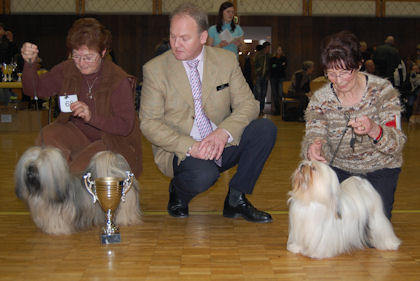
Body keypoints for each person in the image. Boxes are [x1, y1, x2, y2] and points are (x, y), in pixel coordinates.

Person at [140, 3, 277, 223]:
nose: (176, 44)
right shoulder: (155, 70)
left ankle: (235, 197)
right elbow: (149, 123)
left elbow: (249, 104)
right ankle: (178, 191)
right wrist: (191, 146)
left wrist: (223, 133)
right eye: (172, 37)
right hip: (182, 148)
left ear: (203, 37)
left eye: (184, 38)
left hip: (221, 141)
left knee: (265, 129)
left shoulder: (226, 61)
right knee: (205, 174)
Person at [302, 30, 406, 220]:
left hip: (379, 168)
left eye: (344, 72)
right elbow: (313, 133)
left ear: (359, 65)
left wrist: (375, 130)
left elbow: (396, 144)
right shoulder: (320, 99)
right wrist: (314, 145)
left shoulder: (383, 91)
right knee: (326, 221)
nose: (338, 81)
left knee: (371, 231)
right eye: (331, 74)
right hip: (339, 168)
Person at [21, 18, 142, 177]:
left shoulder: (118, 80)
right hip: (77, 133)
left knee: (77, 172)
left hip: (110, 140)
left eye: (88, 57)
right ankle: (54, 189)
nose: (81, 63)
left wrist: (92, 117)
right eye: (76, 56)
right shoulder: (68, 69)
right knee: (49, 136)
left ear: (103, 52)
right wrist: (30, 64)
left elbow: (125, 126)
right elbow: (34, 90)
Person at [254, 41, 271, 115]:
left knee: (263, 93)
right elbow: (254, 65)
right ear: (265, 47)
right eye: (268, 47)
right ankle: (257, 109)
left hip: (265, 77)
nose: (269, 49)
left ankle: (262, 109)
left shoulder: (269, 56)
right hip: (258, 76)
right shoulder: (258, 55)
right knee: (258, 93)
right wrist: (254, 76)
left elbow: (271, 67)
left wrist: (268, 75)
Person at [269, 45, 287, 115]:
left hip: (281, 77)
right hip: (273, 78)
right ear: (276, 51)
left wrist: (276, 66)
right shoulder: (272, 59)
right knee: (274, 94)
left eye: (280, 50)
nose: (279, 51)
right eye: (278, 50)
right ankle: (277, 109)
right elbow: (271, 67)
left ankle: (281, 109)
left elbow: (284, 67)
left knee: (280, 93)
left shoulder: (284, 58)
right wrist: (280, 65)